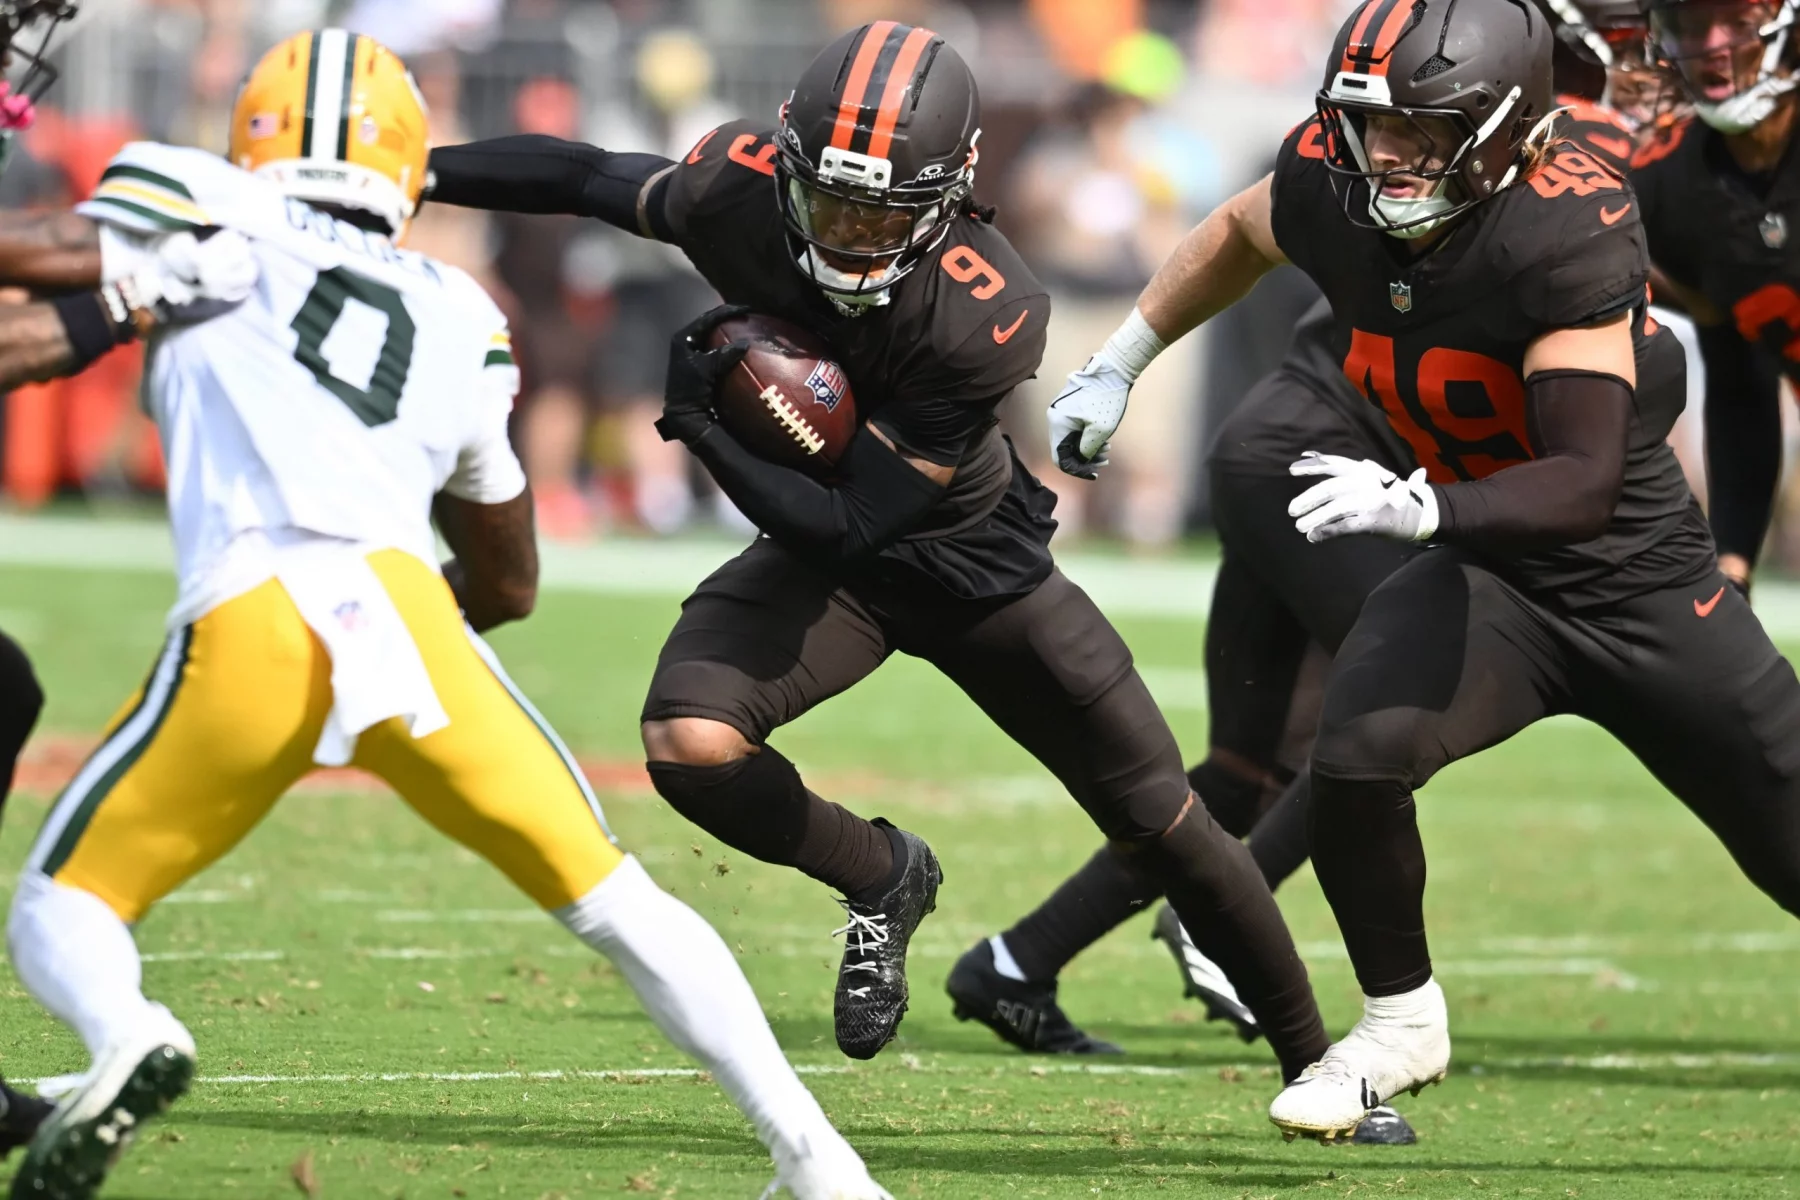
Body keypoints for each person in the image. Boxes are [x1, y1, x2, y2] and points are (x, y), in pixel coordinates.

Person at [2, 31, 893, 1200]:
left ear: (258, 130)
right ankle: (819, 1162)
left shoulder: (205, 196)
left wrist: (136, 283)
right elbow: (510, 577)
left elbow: (55, 254)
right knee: (622, 902)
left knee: (63, 902)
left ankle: (126, 1034)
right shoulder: (454, 305)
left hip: (258, 606)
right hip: (414, 623)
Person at [423, 21, 1336, 1083]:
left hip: (973, 573)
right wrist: (416, 172)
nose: (853, 233)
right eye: (834, 201)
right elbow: (585, 176)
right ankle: (883, 874)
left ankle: (1319, 1061)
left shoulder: (985, 312)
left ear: (950, 194)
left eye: (883, 210)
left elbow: (859, 520)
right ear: (788, 167)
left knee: (1169, 825)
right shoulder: (736, 190)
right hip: (833, 577)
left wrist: (705, 425)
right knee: (688, 744)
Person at [1051, 0, 1800, 1142]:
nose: (1385, 154)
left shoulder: (1570, 220)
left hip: (1631, 582)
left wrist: (1426, 504)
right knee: (1354, 759)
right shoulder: (1335, 174)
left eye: (1421, 128)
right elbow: (1241, 232)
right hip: (1488, 571)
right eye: (1369, 124)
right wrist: (1121, 360)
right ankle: (1400, 1022)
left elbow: (1587, 479)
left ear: (1506, 129)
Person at [948, 0, 1656, 1077]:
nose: (1658, 76)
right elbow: (1246, 222)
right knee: (1401, 708)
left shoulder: (1524, 160)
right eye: (1641, 52)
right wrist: (1124, 361)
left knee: (1244, 770)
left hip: (1291, 452)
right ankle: (1220, 923)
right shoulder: (1536, 158)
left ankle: (1016, 960)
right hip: (1323, 460)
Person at [1631, 0, 1800, 593]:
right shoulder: (1672, 187)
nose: (1712, 44)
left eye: (1736, 18)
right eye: (1689, 24)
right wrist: (1734, 555)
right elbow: (1738, 380)